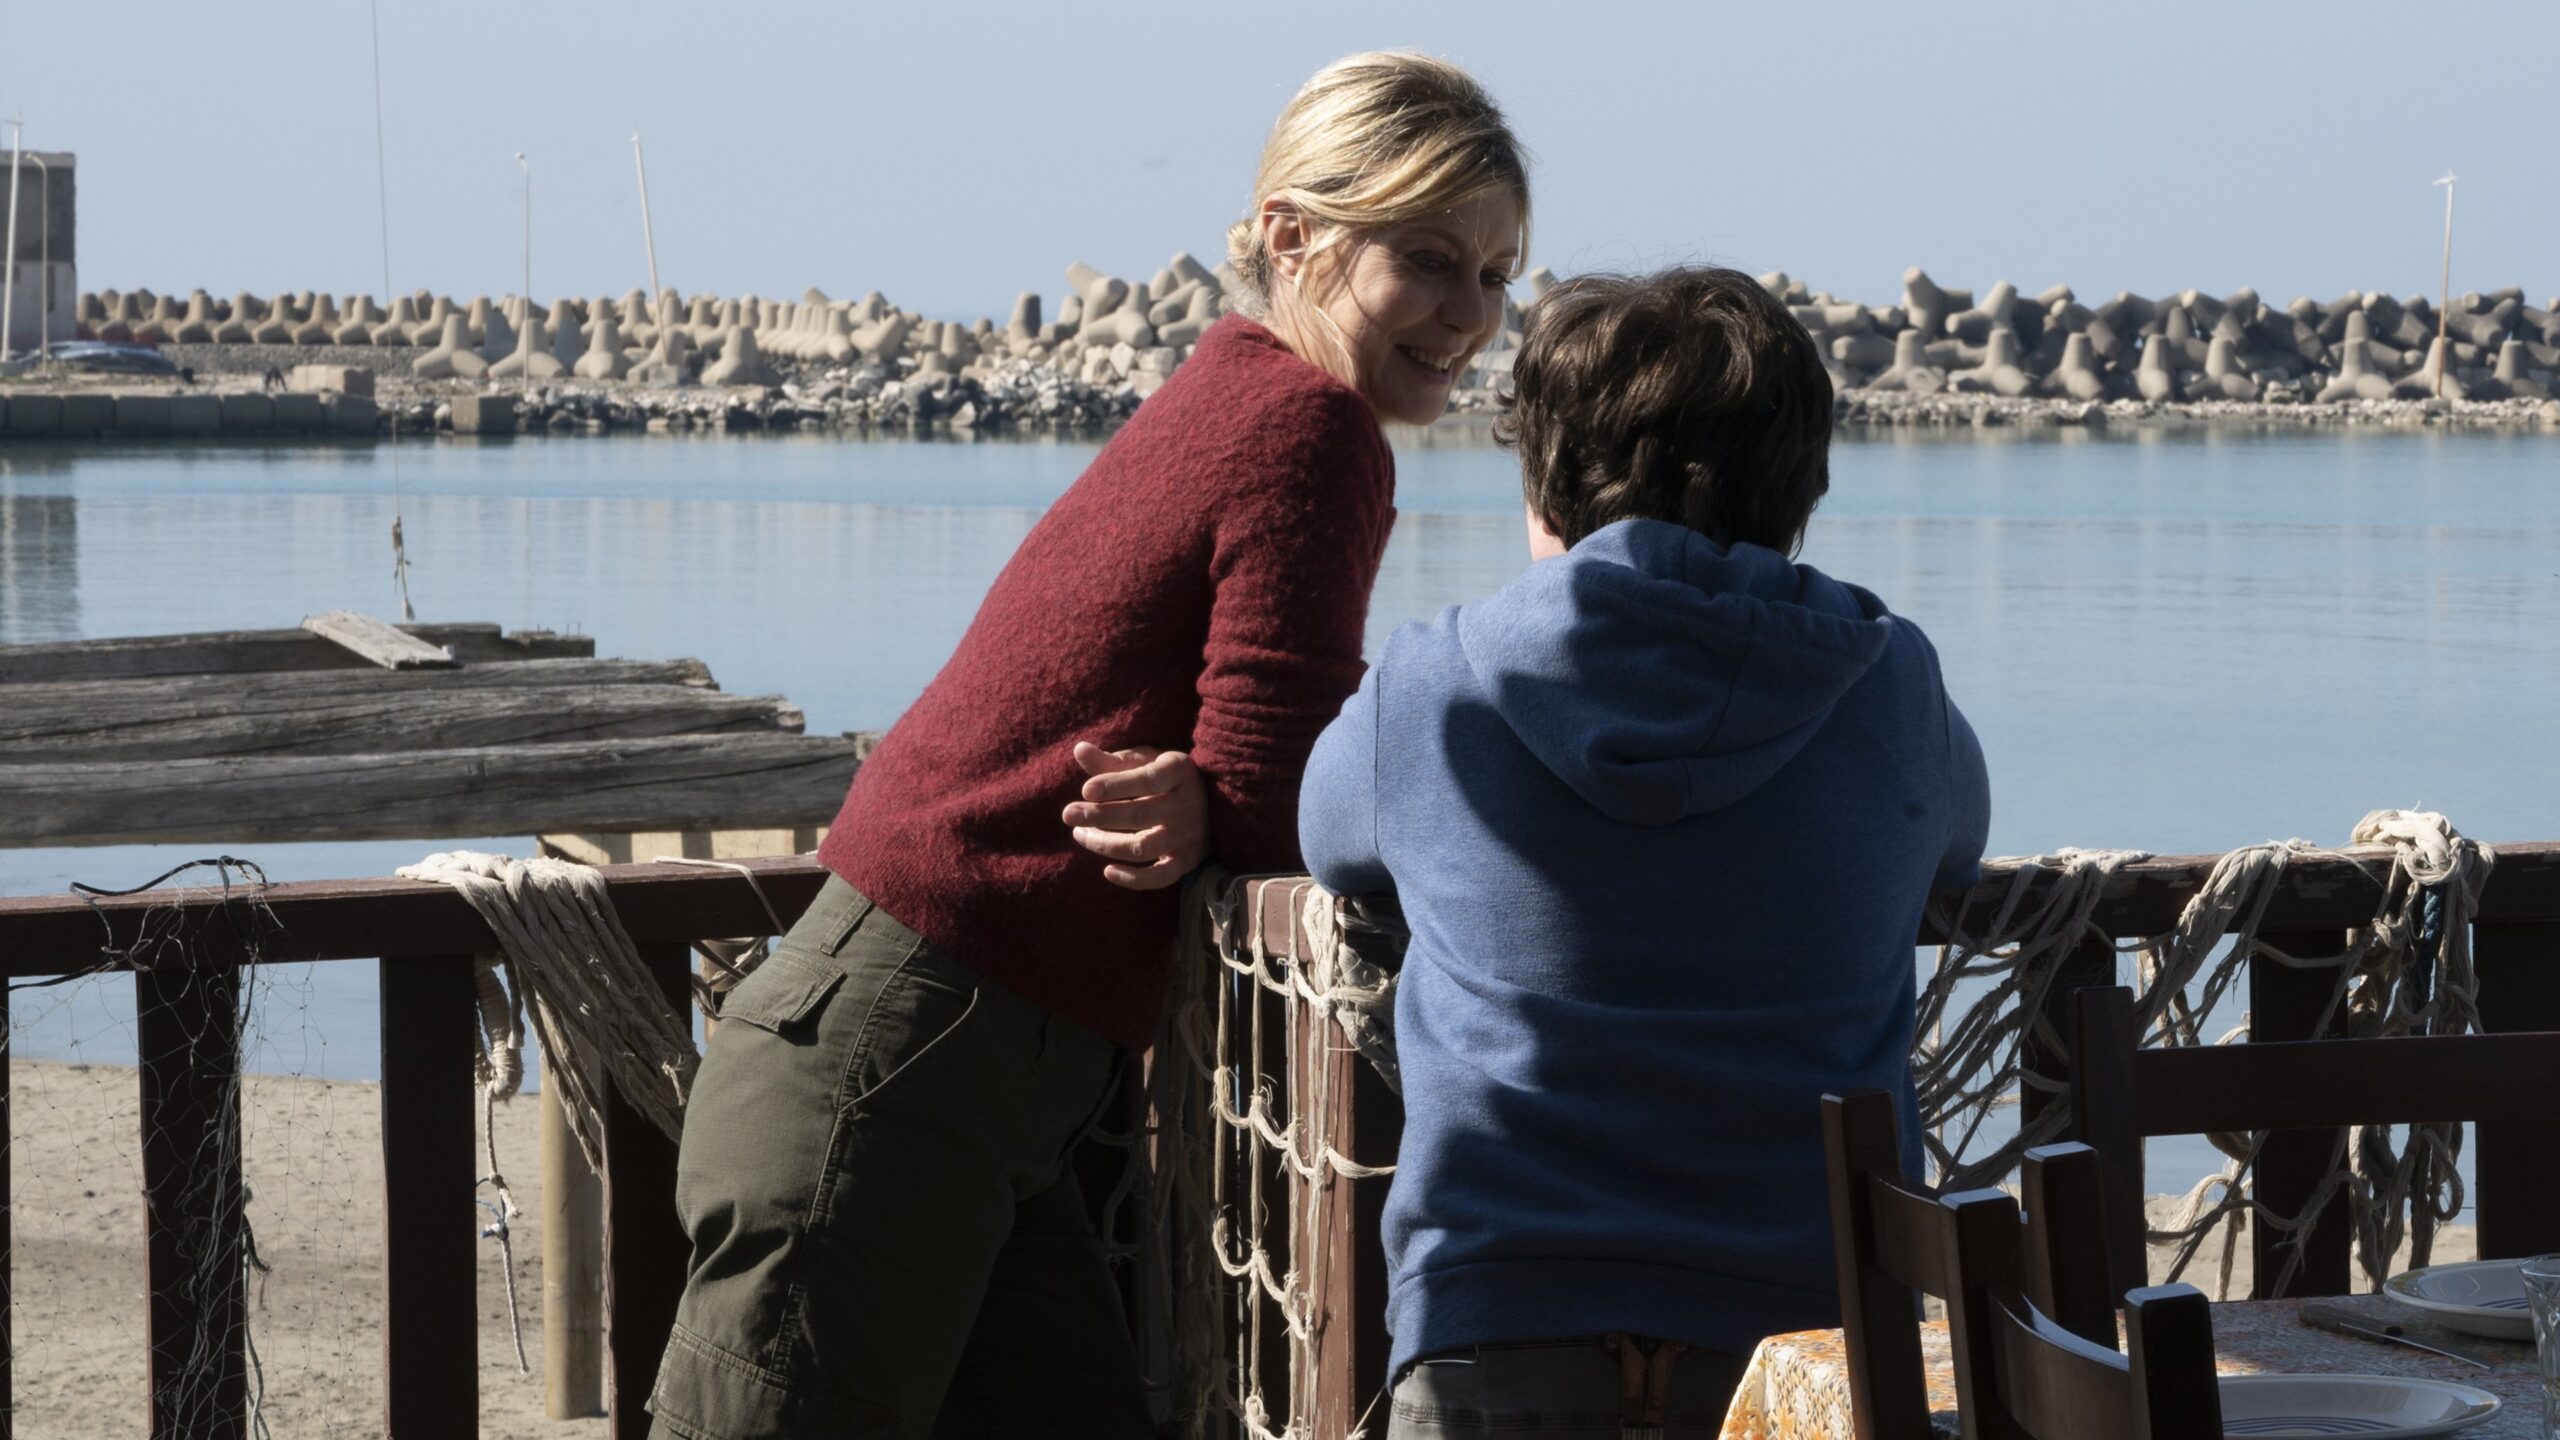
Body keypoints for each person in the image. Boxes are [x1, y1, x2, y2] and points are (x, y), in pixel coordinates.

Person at [647, 52, 1529, 1440]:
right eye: (1428, 259)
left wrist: (1212, 794)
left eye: (1495, 274)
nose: (1471, 314)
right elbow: (1287, 797)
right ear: (1291, 234)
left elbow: (1248, 770)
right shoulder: (1312, 427)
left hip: (933, 1053)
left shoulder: (1230, 386)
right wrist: (1239, 798)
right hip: (908, 1064)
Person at [1298, 267, 1992, 1438]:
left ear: (1542, 481)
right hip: (1808, 1336)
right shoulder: (1891, 681)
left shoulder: (1432, 684)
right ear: (1801, 491)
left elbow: (1325, 840)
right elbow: (1956, 846)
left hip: (1499, 1304)